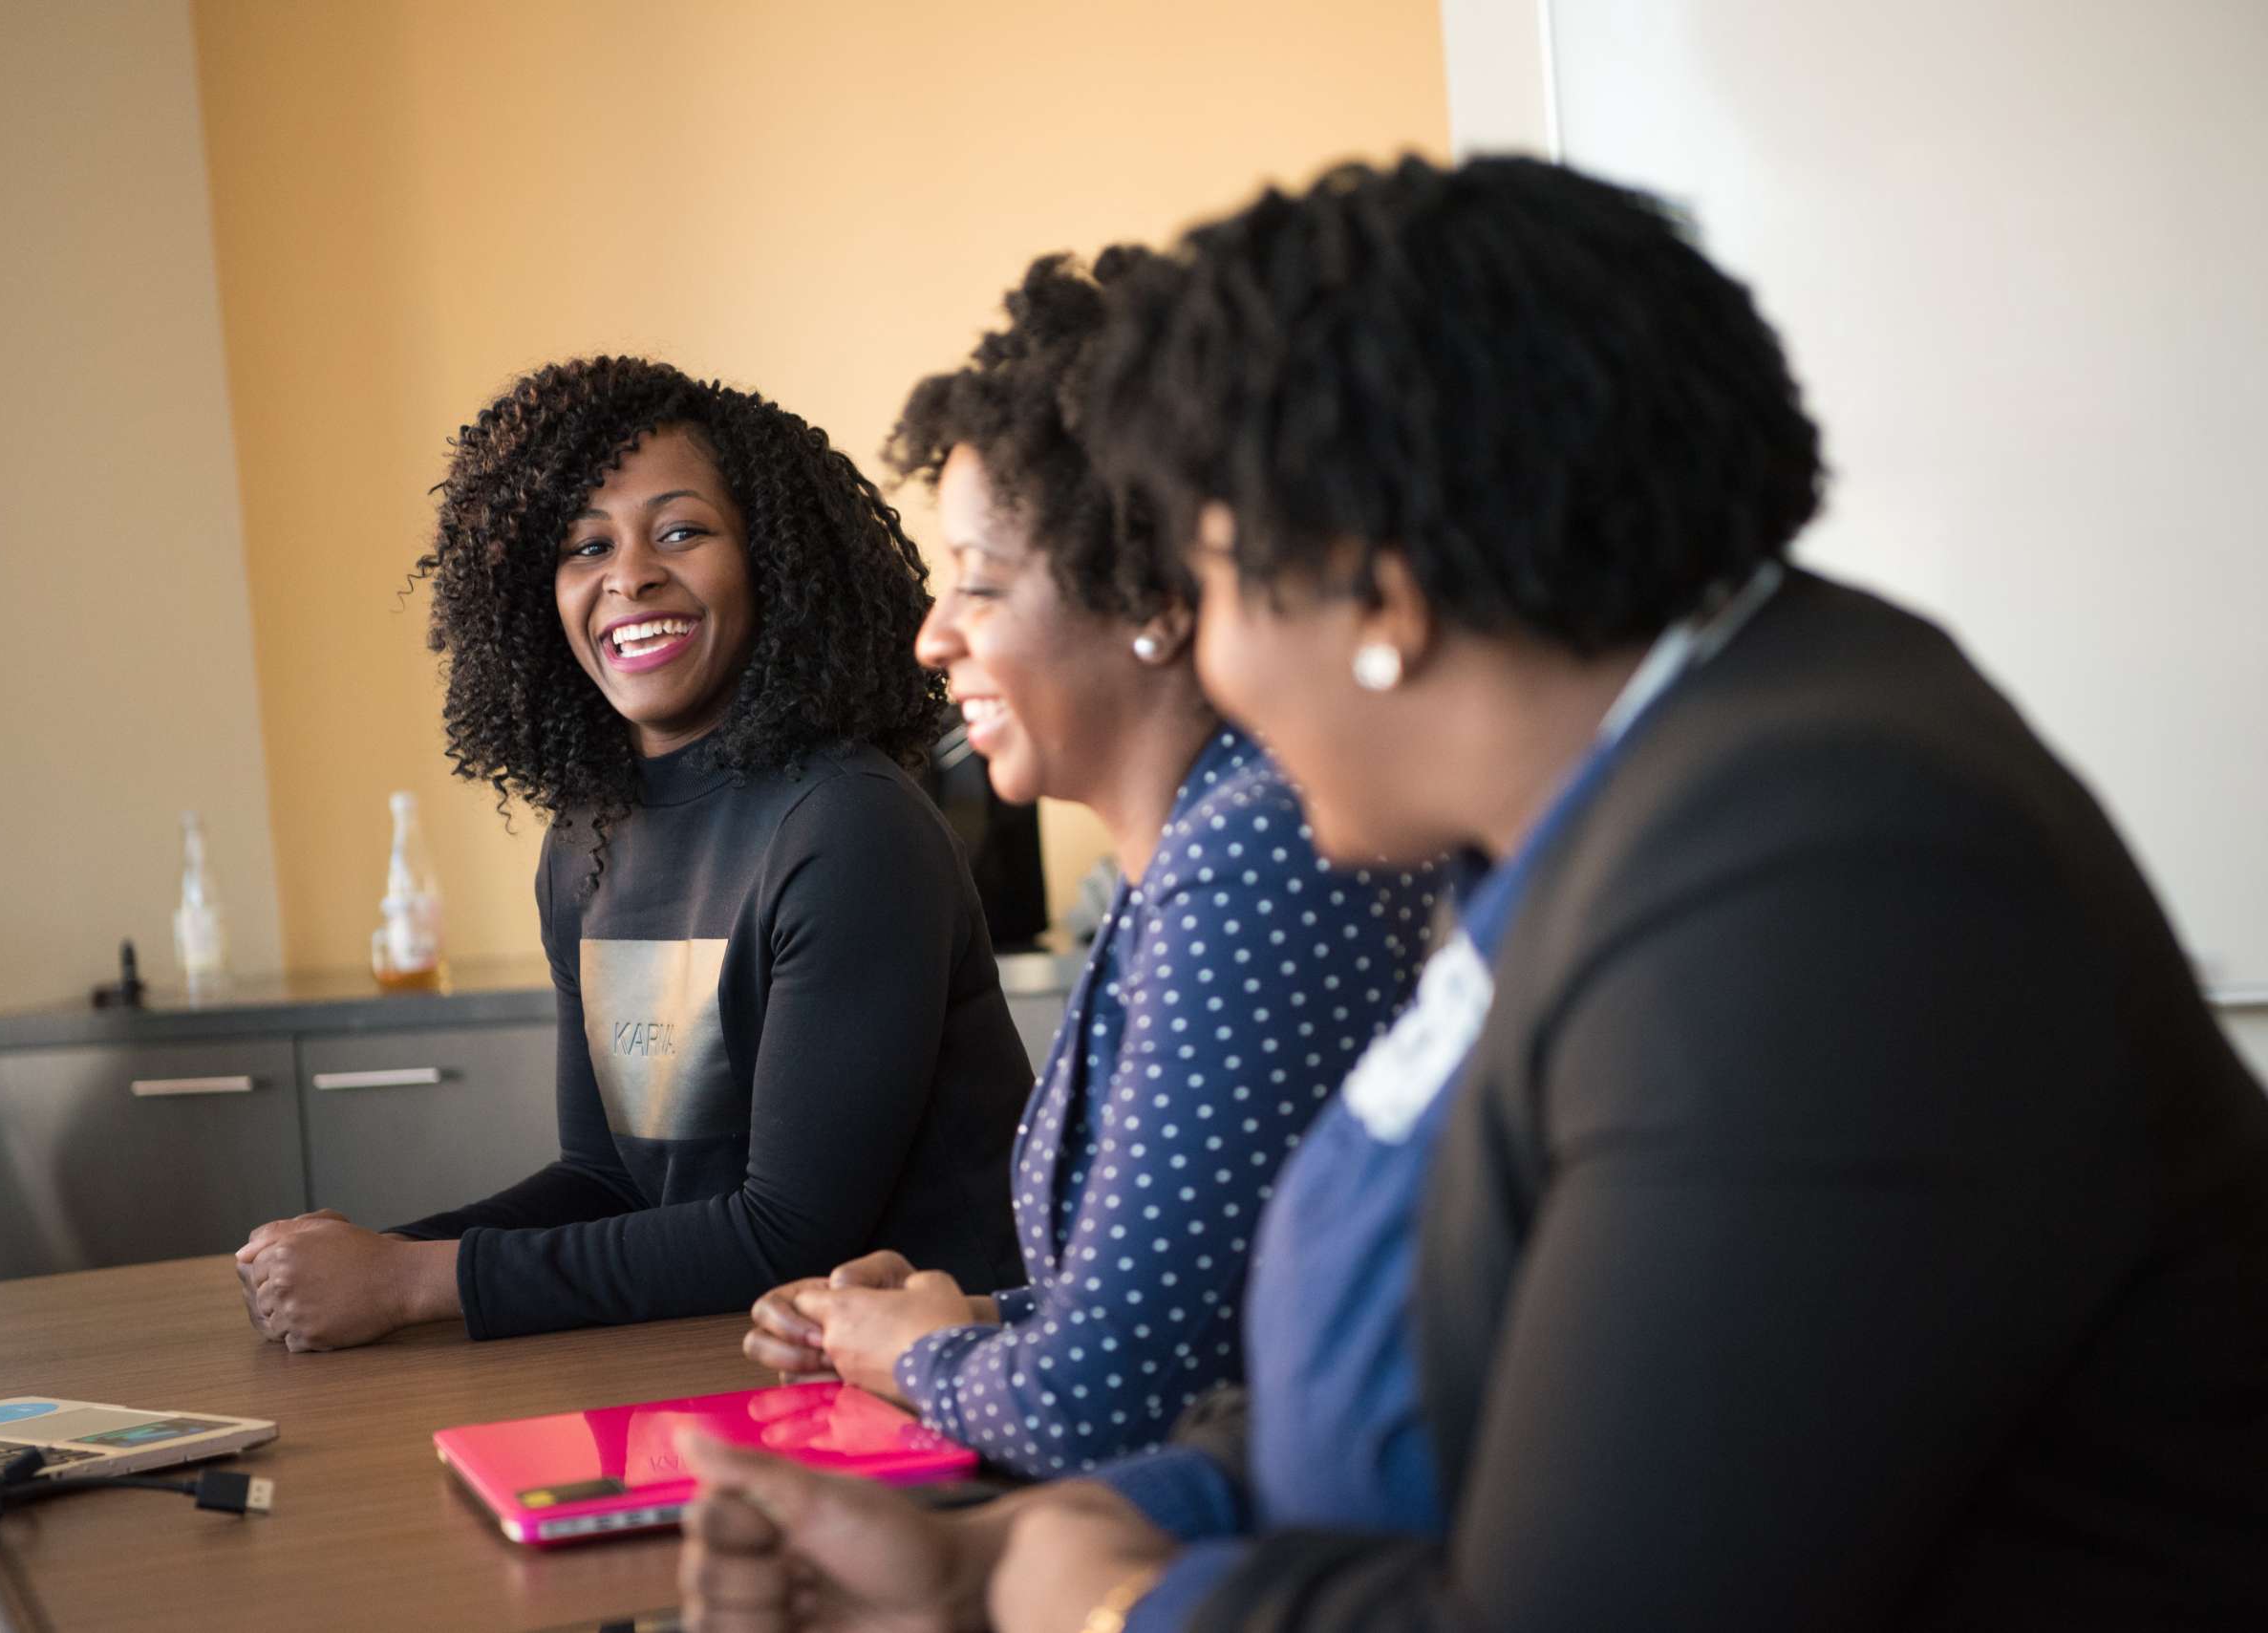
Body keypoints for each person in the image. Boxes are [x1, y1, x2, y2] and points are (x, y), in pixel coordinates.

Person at [674, 158, 2268, 1630]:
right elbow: (1423, 1367)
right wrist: (1004, 1546)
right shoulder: (1628, 801)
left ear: (1378, 591)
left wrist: (1119, 1604)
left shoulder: (1824, 871)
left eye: (1216, 583)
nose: (1213, 664)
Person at [738, 251, 1439, 1477]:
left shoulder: (1253, 858)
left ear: (1152, 598)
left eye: (980, 583)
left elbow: (1102, 1406)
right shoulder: (1192, 850)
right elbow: (1190, 1317)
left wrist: (916, 1357)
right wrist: (941, 1323)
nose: (932, 633)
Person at [235, 356, 1033, 1350]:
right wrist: (373, 1256)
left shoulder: (847, 823)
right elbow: (608, 1180)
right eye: (584, 545)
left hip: (931, 1387)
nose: (629, 574)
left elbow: (784, 1230)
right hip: (714, 1353)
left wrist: (408, 1279)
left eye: (682, 530)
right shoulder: (586, 839)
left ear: (773, 562)